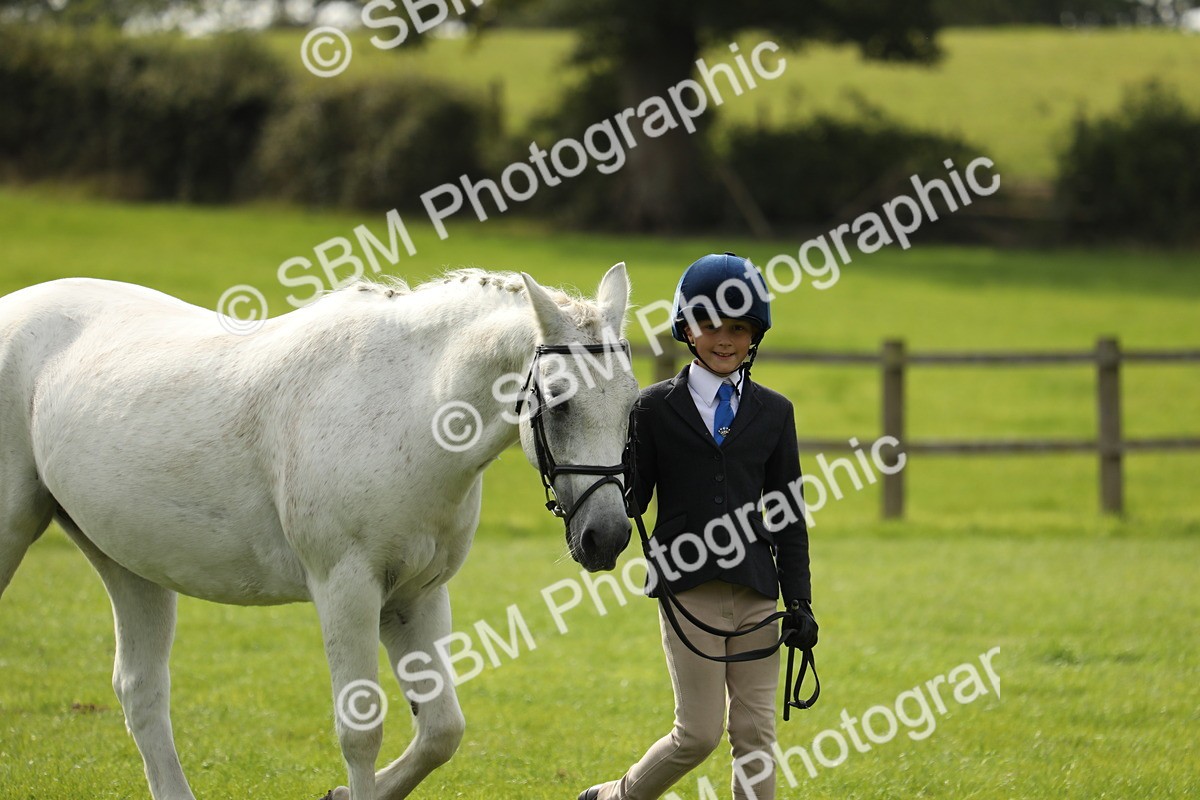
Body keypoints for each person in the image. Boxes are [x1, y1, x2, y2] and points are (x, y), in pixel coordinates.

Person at [578, 253, 817, 800]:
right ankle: (618, 796)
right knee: (699, 734)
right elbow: (632, 498)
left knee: (756, 734)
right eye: (711, 325)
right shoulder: (651, 410)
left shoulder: (776, 413)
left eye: (738, 327)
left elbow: (788, 515)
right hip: (687, 590)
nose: (724, 339)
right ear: (687, 328)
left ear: (754, 334)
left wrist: (800, 603)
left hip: (758, 591)